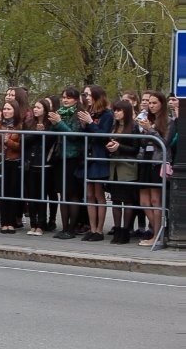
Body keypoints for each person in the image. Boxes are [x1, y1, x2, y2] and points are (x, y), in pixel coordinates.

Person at [136, 91, 174, 248]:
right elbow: (143, 142)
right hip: (145, 160)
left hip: (158, 162)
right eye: (149, 103)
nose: (151, 106)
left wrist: (150, 130)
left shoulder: (169, 121)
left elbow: (164, 143)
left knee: (155, 200)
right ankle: (157, 231)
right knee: (144, 201)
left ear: (162, 104)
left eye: (154, 103)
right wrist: (143, 130)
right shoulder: (146, 119)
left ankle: (157, 235)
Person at [77, 85, 113, 241]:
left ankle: (99, 230)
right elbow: (84, 134)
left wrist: (90, 123)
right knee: (89, 194)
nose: (87, 97)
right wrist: (84, 125)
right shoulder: (88, 112)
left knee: (99, 194)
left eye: (89, 95)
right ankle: (92, 228)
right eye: (85, 95)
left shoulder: (107, 114)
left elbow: (103, 135)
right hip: (87, 156)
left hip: (98, 156)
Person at [48, 87, 84, 240]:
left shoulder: (78, 115)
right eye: (63, 97)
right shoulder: (60, 112)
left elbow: (75, 135)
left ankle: (72, 227)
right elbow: (53, 132)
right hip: (60, 157)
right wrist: (52, 124)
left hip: (73, 157)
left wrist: (60, 123)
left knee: (72, 194)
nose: (65, 100)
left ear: (76, 100)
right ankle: (64, 227)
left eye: (68, 98)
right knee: (62, 193)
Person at [105, 100, 141, 245]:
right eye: (115, 110)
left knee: (127, 200)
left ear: (126, 112)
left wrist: (119, 146)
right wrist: (110, 145)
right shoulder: (114, 126)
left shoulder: (133, 127)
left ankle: (126, 230)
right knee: (115, 200)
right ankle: (118, 229)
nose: (116, 113)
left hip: (127, 167)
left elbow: (135, 149)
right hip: (114, 166)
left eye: (119, 110)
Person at [23, 98, 57, 236]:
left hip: (45, 163)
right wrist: (37, 134)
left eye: (39, 107)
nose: (35, 109)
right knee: (32, 195)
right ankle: (33, 224)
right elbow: (24, 139)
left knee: (42, 195)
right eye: (35, 107)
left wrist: (43, 133)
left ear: (45, 110)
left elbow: (51, 143)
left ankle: (41, 225)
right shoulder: (29, 123)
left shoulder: (50, 124)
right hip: (31, 162)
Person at [0, 100, 23, 234]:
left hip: (14, 160)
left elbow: (21, 147)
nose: (6, 111)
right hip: (1, 161)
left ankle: (12, 222)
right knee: (3, 191)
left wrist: (8, 141)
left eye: (9, 109)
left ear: (15, 111)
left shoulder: (20, 126)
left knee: (12, 191)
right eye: (4, 109)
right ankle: (4, 222)